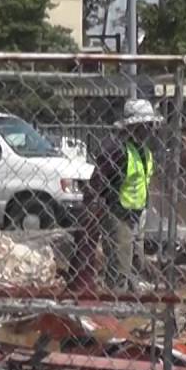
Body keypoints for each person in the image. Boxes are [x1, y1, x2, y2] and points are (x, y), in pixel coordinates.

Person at [70, 98, 162, 291]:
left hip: (137, 213)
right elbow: (98, 181)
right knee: (120, 261)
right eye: (146, 125)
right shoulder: (117, 150)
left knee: (134, 259)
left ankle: (130, 292)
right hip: (118, 213)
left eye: (150, 125)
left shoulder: (144, 151)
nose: (149, 129)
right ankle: (116, 301)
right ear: (134, 126)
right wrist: (92, 206)